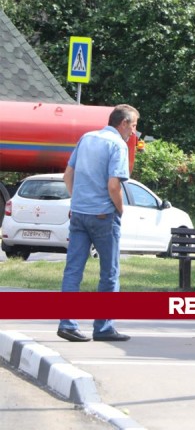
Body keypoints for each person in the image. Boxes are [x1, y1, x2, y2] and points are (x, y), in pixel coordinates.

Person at [56, 104, 139, 343]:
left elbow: (67, 175)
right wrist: (120, 210)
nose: (133, 132)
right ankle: (103, 327)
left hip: (79, 214)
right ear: (123, 123)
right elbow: (114, 186)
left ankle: (67, 324)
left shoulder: (86, 138)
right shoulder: (118, 145)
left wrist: (78, 200)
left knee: (73, 270)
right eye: (133, 126)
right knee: (109, 272)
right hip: (104, 216)